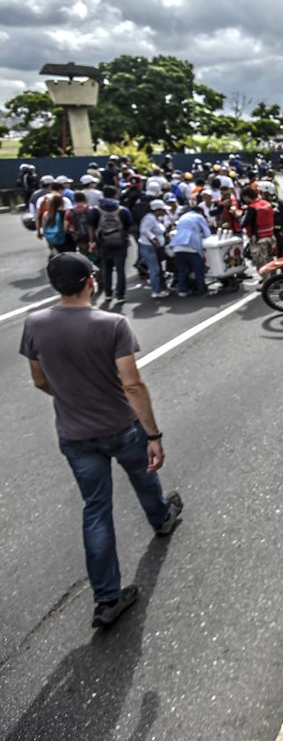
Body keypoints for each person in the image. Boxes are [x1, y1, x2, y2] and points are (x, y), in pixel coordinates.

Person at [19, 253, 183, 629]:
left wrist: (72, 400)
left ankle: (107, 599)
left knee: (96, 510)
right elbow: (132, 383)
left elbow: (40, 381)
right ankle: (161, 518)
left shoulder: (35, 323)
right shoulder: (112, 324)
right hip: (121, 426)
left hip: (75, 434)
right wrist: (153, 435)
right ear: (91, 281)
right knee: (144, 475)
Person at [89, 187, 135, 305]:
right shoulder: (122, 210)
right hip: (120, 244)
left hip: (103, 243)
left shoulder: (96, 210)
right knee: (120, 270)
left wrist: (92, 241)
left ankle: (108, 294)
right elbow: (130, 226)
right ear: (115, 195)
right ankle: (120, 295)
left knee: (106, 269)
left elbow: (91, 226)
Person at [170, 199, 212, 297]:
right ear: (200, 212)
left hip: (177, 246)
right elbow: (207, 233)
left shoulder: (182, 217)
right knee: (198, 270)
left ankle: (182, 291)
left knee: (182, 271)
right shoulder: (198, 216)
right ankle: (202, 291)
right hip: (191, 246)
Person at [137, 200, 170, 299]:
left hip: (155, 248)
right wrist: (154, 239)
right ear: (157, 210)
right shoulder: (150, 218)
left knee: (159, 268)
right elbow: (143, 230)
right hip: (149, 247)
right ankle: (156, 291)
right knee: (154, 269)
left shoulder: (155, 218)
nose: (164, 212)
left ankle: (162, 287)